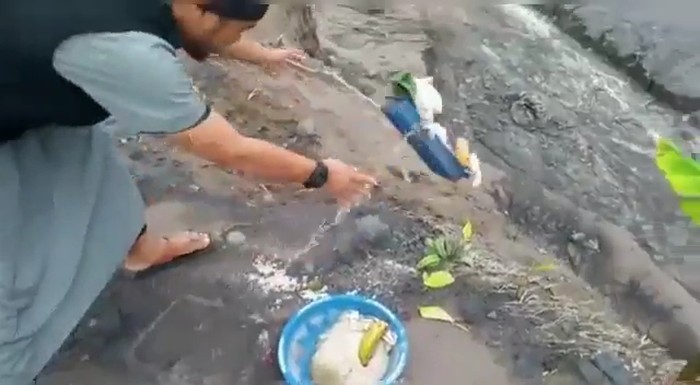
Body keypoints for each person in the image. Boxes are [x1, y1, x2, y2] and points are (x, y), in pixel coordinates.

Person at [0, 0, 378, 383]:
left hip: (30, 93)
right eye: (242, 30)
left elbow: (205, 32)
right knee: (11, 271)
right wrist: (322, 174)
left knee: (97, 176)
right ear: (203, 11)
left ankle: (141, 251)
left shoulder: (177, 8)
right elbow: (229, 149)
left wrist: (262, 56)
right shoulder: (125, 54)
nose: (240, 37)